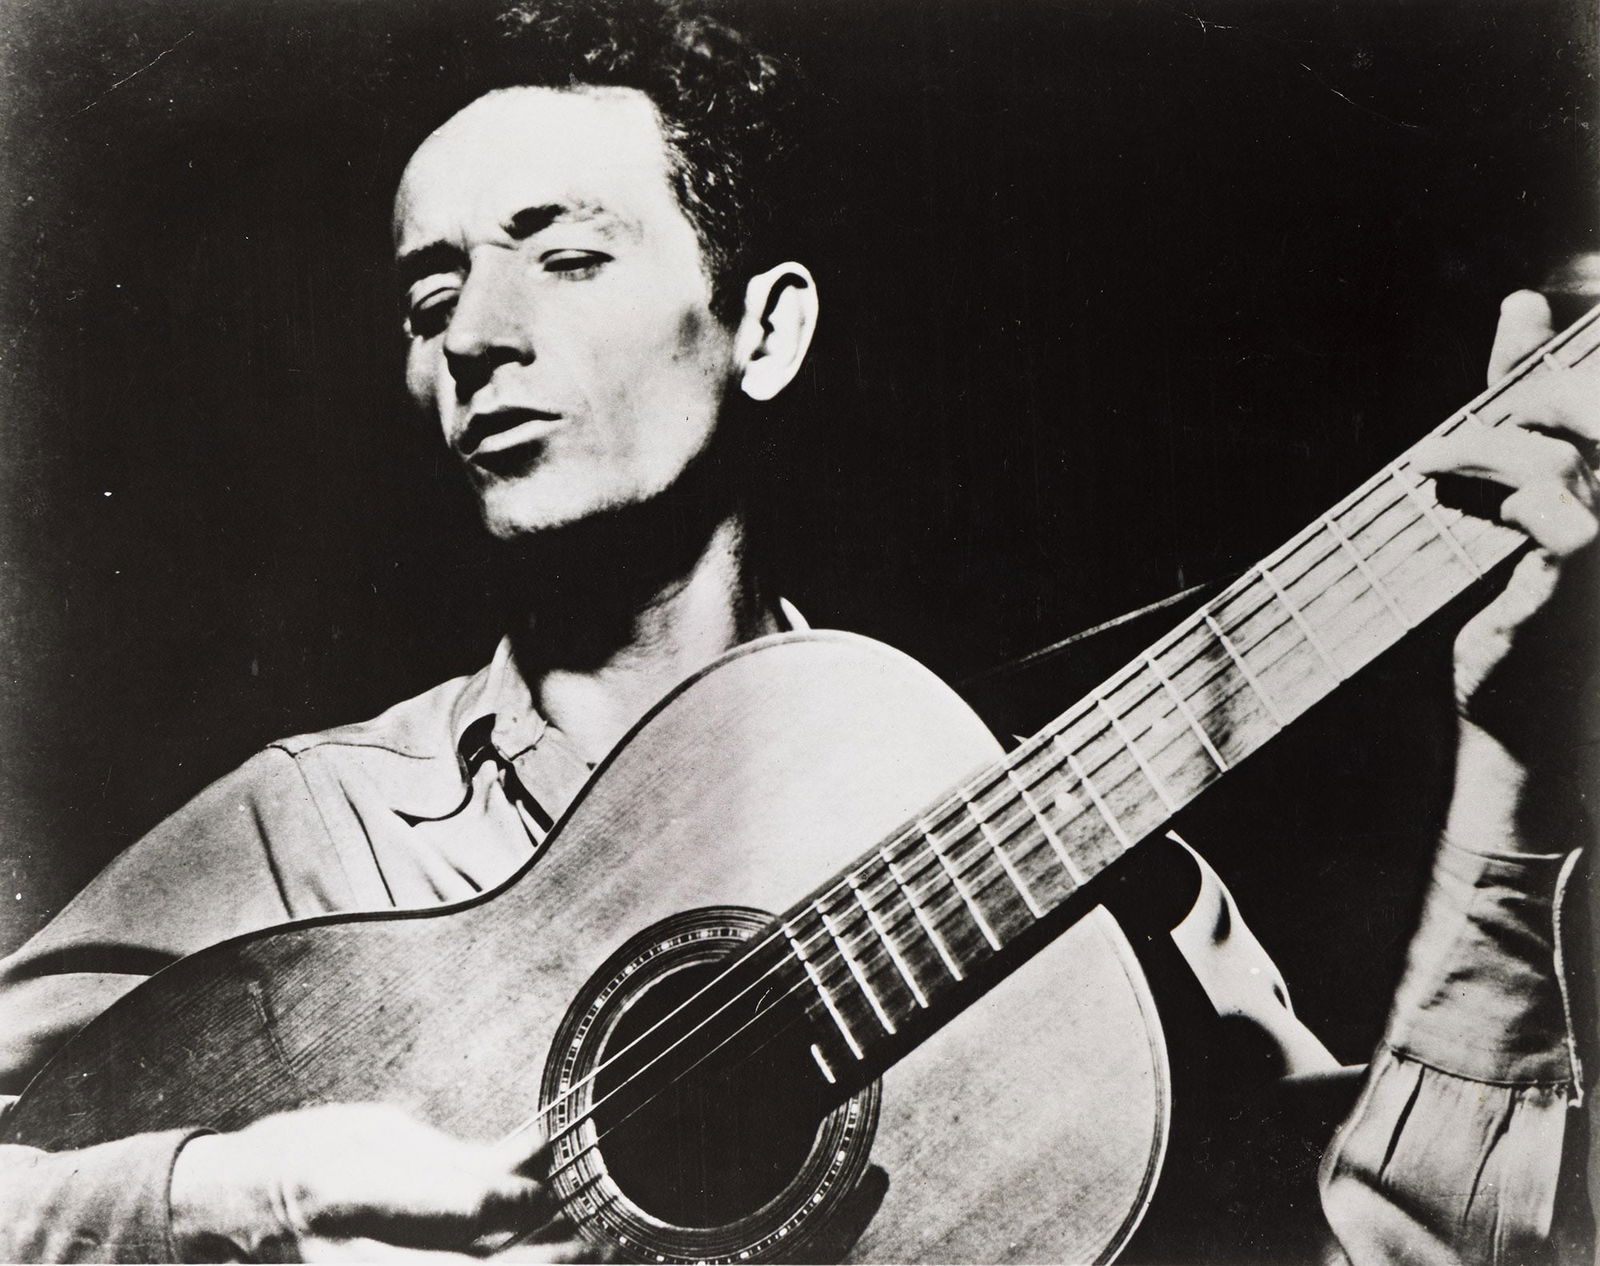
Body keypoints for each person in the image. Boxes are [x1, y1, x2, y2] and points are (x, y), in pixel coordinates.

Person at [0, 0, 1594, 1260]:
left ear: (764, 329)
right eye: (429, 303)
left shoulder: (1057, 833)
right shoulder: (314, 828)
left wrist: (1518, 777)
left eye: (565, 255)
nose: (479, 337)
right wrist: (261, 1194)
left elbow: (1404, 1250)